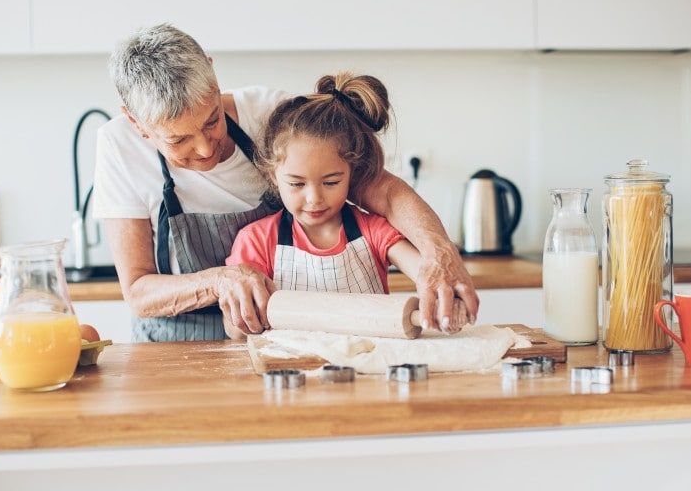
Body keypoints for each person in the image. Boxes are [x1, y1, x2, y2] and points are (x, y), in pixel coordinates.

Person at [92, 22, 479, 342]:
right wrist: (222, 281)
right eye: (178, 140)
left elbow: (383, 191)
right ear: (136, 123)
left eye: (212, 120)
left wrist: (437, 253)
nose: (206, 147)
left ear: (213, 71)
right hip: (173, 345)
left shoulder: (268, 114)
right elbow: (139, 291)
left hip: (280, 333)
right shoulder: (118, 148)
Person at [225, 72, 469, 339]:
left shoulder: (372, 230)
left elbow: (425, 271)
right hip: (288, 370)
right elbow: (235, 333)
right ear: (273, 176)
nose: (314, 198)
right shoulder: (257, 240)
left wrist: (445, 299)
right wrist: (240, 315)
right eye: (296, 184)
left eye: (331, 182)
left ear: (352, 174)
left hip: (369, 367)